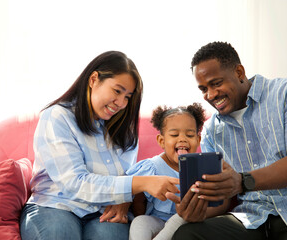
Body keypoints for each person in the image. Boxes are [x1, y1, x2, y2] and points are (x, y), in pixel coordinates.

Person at [166, 41, 287, 240]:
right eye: (203, 89)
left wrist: (242, 181)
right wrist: (196, 212)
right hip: (251, 220)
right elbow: (223, 200)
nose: (210, 95)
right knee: (188, 235)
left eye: (216, 83)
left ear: (239, 72)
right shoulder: (210, 130)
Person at [19, 51, 179, 240]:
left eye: (127, 97)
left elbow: (125, 175)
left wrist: (125, 199)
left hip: (105, 210)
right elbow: (74, 183)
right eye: (117, 91)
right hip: (56, 205)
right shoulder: (58, 117)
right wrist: (139, 184)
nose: (121, 103)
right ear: (94, 79)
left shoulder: (123, 128)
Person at [127, 103, 230, 240]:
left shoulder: (203, 167)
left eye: (189, 135)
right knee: (140, 221)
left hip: (186, 222)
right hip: (157, 220)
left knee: (178, 218)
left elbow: (222, 202)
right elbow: (137, 197)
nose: (182, 139)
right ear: (162, 141)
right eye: (174, 134)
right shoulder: (152, 167)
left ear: (198, 140)